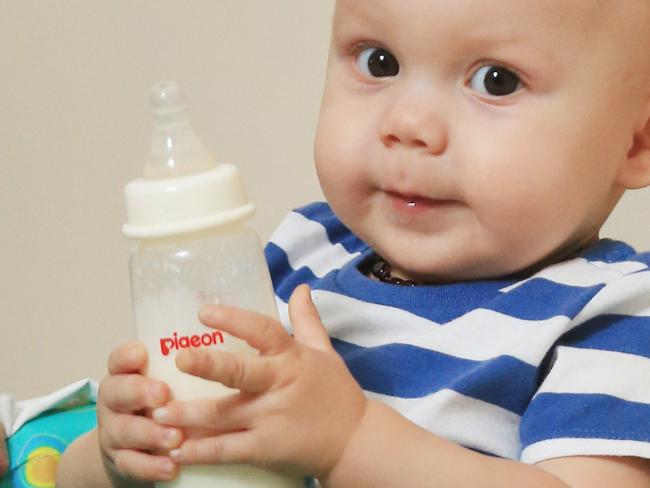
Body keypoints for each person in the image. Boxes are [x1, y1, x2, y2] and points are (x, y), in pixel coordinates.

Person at [57, 0, 650, 486]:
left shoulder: (611, 314)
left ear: (636, 143)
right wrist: (120, 454)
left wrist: (350, 439)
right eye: (380, 61)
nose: (407, 123)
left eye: (495, 80)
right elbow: (72, 474)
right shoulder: (301, 255)